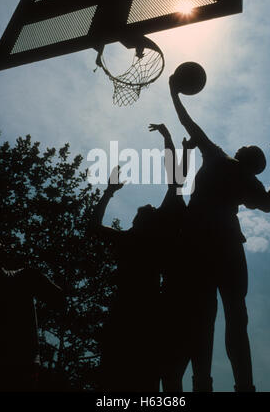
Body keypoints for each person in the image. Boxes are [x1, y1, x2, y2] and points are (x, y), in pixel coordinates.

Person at [169, 75, 270, 392]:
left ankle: (202, 382)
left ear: (246, 157)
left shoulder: (219, 157)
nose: (245, 144)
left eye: (248, 147)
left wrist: (174, 92)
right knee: (236, 315)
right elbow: (269, 204)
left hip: (199, 241)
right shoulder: (247, 181)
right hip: (225, 244)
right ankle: (243, 386)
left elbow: (188, 123)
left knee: (205, 315)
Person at [92, 126, 193, 392]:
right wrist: (171, 141)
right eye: (147, 207)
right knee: (134, 375)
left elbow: (175, 180)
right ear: (140, 219)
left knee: (126, 374)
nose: (151, 206)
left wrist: (109, 192)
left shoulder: (135, 240)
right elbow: (175, 180)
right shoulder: (146, 239)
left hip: (134, 311)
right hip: (143, 311)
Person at [0, 240, 64, 392]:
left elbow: (59, 299)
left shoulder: (26, 277)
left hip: (20, 363)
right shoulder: (25, 277)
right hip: (12, 363)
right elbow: (59, 300)